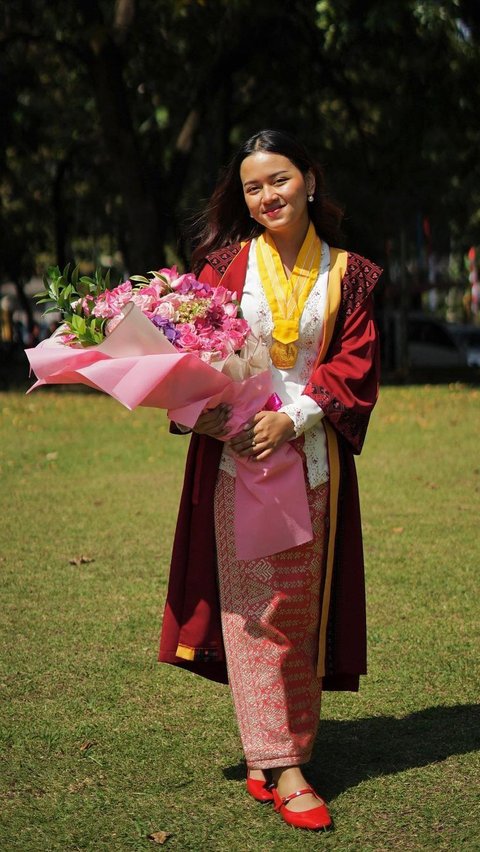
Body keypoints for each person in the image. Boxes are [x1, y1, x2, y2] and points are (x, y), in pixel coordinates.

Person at [159, 129, 382, 831]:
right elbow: (192, 348)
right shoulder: (224, 266)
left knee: (299, 610)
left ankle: (283, 747)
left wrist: (295, 419)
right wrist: (221, 415)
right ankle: (281, 762)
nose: (267, 196)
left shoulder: (351, 273)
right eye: (254, 186)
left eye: (279, 180)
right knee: (253, 612)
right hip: (238, 457)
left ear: (310, 179)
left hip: (311, 456)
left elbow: (353, 362)